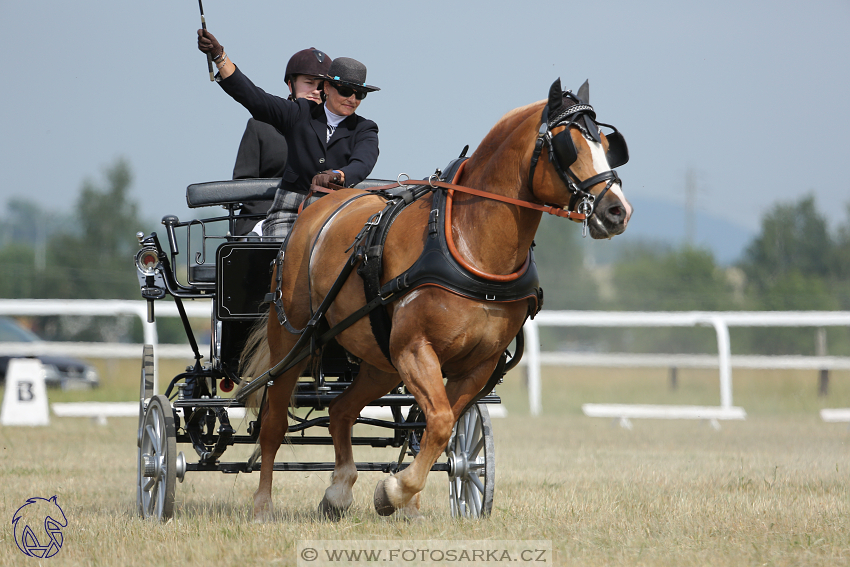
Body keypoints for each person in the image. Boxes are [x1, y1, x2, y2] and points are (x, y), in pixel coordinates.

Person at [197, 29, 380, 239]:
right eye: (346, 91)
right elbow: (255, 98)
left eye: (360, 95)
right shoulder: (300, 113)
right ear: (327, 88)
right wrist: (220, 57)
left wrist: (339, 175)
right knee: (281, 258)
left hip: (336, 209)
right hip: (290, 209)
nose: (353, 99)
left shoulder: (365, 128)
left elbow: (363, 162)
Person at [232, 48, 332, 236]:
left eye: (322, 86)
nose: (316, 91)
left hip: (321, 218)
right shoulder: (259, 126)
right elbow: (243, 185)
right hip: (264, 219)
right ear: (290, 85)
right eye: (309, 83)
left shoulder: (337, 132)